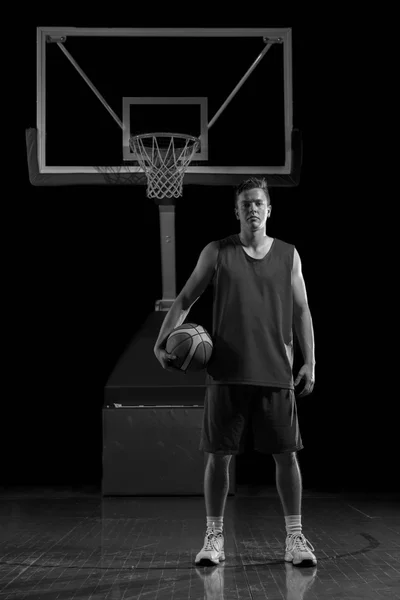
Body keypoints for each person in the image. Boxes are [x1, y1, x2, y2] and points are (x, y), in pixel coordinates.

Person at [154, 177, 316, 568]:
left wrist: (311, 360)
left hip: (276, 372)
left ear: (269, 209)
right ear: (237, 211)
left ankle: (294, 538)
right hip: (227, 372)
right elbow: (186, 298)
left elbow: (301, 311)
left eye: (259, 202)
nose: (253, 209)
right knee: (218, 457)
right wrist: (161, 341)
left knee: (286, 456)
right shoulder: (218, 251)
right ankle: (214, 537)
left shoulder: (289, 255)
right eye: (246, 204)